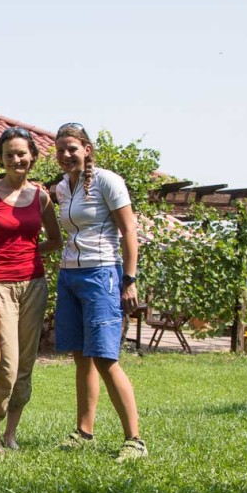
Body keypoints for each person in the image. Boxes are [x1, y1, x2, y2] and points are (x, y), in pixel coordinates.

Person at [53, 122, 147, 462]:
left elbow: (128, 229)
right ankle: (84, 431)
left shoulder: (107, 180)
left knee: (106, 358)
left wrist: (130, 279)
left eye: (72, 148)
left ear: (86, 149)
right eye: (61, 149)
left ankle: (135, 439)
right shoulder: (63, 187)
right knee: (80, 356)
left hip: (102, 274)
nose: (66, 155)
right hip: (69, 276)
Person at [0, 127, 62, 451]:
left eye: (22, 153)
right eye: (9, 154)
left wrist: (32, 252)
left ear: (32, 157)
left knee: (25, 364)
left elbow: (56, 240)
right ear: (0, 158)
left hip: (34, 285)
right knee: (4, 364)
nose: (16, 159)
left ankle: (9, 434)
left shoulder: (42, 197)